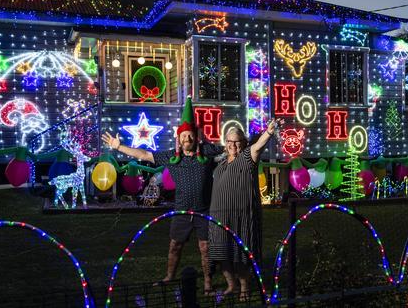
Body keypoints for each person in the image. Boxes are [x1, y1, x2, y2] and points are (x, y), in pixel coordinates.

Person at [101, 97, 221, 294]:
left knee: (205, 247)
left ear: (196, 137)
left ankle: (208, 281)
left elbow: (232, 148)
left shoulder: (207, 152)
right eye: (184, 136)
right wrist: (119, 147)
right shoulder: (171, 157)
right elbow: (144, 155)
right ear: (179, 138)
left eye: (190, 136)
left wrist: (258, 138)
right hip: (181, 211)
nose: (187, 139)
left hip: (204, 210)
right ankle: (170, 276)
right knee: (175, 245)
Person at [208, 118, 283, 300]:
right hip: (219, 217)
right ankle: (231, 285)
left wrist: (269, 132)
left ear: (243, 143)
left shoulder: (248, 157)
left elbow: (258, 146)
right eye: (229, 141)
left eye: (237, 141)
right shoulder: (221, 163)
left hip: (241, 216)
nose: (233, 144)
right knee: (221, 253)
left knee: (240, 255)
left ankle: (244, 287)